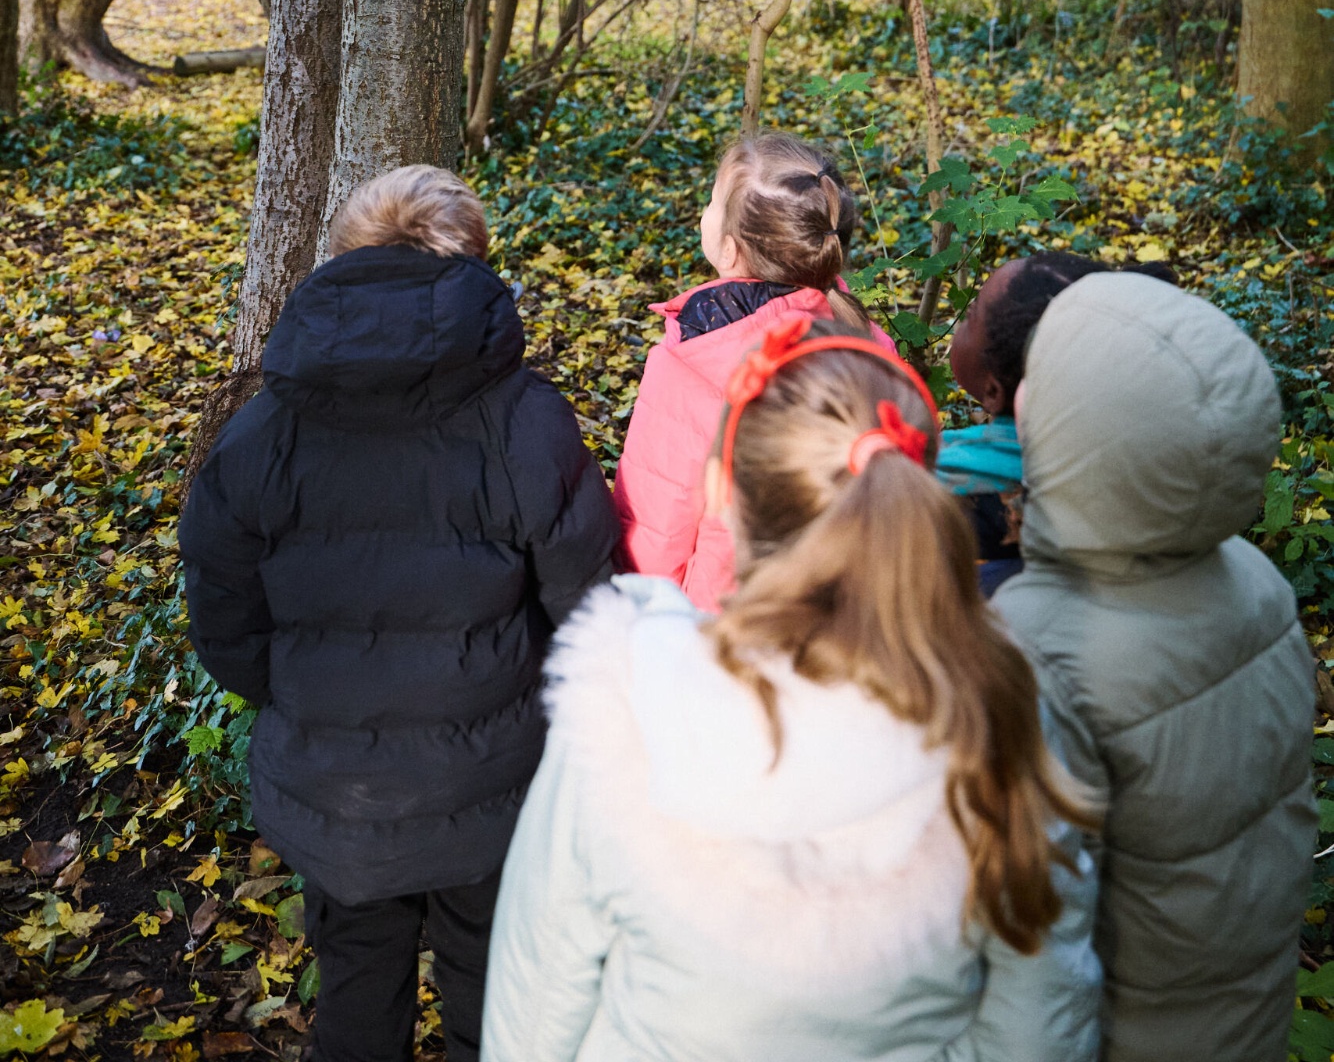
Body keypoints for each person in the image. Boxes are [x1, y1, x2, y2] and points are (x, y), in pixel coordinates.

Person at [481, 313, 1102, 1062]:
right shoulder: (1004, 711)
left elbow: (537, 1003)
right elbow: (1038, 1030)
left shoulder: (628, 706)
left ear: (722, 491)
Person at [179, 165, 620, 1062]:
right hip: (491, 782)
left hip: (336, 786)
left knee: (355, 999)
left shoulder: (263, 430)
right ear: (474, 263)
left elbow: (223, 617)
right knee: (492, 1005)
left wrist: (303, 696)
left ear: (341, 260)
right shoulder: (524, 420)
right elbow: (589, 607)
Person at [995, 270, 1316, 1062]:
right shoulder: (1254, 579)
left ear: (1087, 429)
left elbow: (1024, 941)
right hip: (1242, 1017)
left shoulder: (1036, 646)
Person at [614, 131, 888, 610]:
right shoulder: (870, 343)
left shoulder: (694, 359)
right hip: (842, 611)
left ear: (728, 250)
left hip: (721, 631)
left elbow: (657, 528)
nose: (705, 211)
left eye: (714, 202)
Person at [944, 252, 1176, 594]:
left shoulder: (941, 480)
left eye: (972, 313)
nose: (962, 318)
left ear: (993, 391)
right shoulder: (1146, 470)